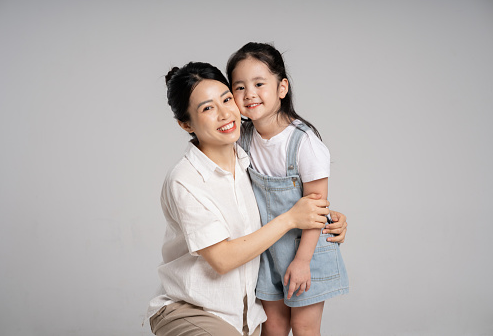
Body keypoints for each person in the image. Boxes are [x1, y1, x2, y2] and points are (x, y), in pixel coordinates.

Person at [146, 62, 348, 336]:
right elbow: (223, 259)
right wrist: (291, 219)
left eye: (226, 99)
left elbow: (283, 197)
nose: (224, 113)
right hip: (192, 309)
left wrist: (325, 218)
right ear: (185, 124)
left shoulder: (247, 159)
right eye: (207, 108)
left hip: (245, 317)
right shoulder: (185, 179)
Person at [227, 42, 349, 336]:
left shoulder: (304, 143)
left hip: (305, 247)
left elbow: (316, 207)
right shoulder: (242, 139)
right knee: (273, 328)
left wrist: (303, 261)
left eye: (259, 83)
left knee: (304, 328)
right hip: (268, 251)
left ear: (282, 87)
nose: (249, 94)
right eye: (239, 87)